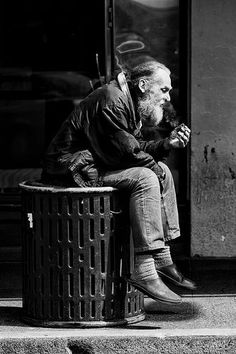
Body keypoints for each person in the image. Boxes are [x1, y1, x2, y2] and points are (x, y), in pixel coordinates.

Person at [41, 60, 196, 305]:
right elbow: (127, 155)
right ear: (143, 85)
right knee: (147, 177)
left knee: (162, 171)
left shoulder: (126, 100)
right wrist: (154, 168)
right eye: (164, 90)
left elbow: (131, 147)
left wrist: (167, 144)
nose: (168, 97)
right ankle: (145, 272)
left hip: (97, 165)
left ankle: (163, 259)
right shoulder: (111, 101)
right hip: (74, 171)